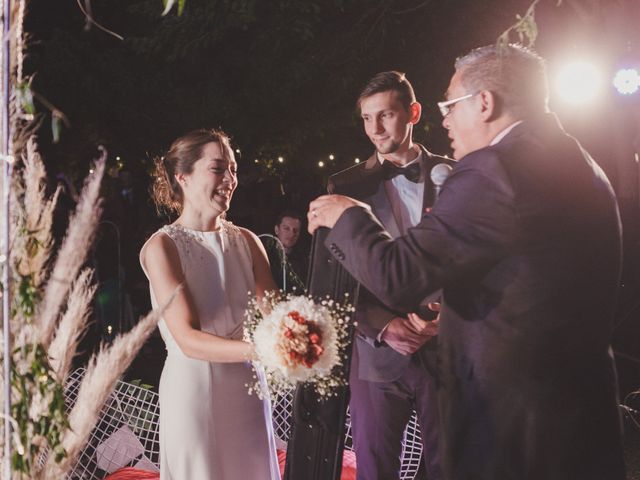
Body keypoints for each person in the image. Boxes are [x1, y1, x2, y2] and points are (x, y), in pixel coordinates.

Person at [308, 44, 626, 480]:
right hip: (575, 418)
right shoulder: (581, 162)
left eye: (450, 106)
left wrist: (348, 215)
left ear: (484, 102)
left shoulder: (494, 167)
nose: (446, 120)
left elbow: (399, 275)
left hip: (511, 428)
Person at [327, 71, 451, 480]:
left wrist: (447, 315)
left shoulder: (458, 176)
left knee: (447, 467)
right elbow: (337, 279)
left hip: (446, 352)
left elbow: (475, 258)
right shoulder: (344, 185)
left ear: (413, 112)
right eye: (366, 118)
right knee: (375, 468)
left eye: (386, 115)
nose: (375, 128)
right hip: (376, 356)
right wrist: (383, 326)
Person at [139, 129, 280, 480]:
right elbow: (187, 338)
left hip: (248, 392)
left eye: (233, 169)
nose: (230, 179)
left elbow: (277, 318)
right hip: (193, 394)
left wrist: (303, 332)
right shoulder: (162, 247)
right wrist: (263, 350)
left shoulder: (248, 241)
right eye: (218, 169)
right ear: (182, 177)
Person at [263, 210, 308, 293]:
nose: (292, 234)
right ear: (277, 230)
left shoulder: (304, 261)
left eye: (296, 230)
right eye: (286, 228)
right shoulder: (264, 256)